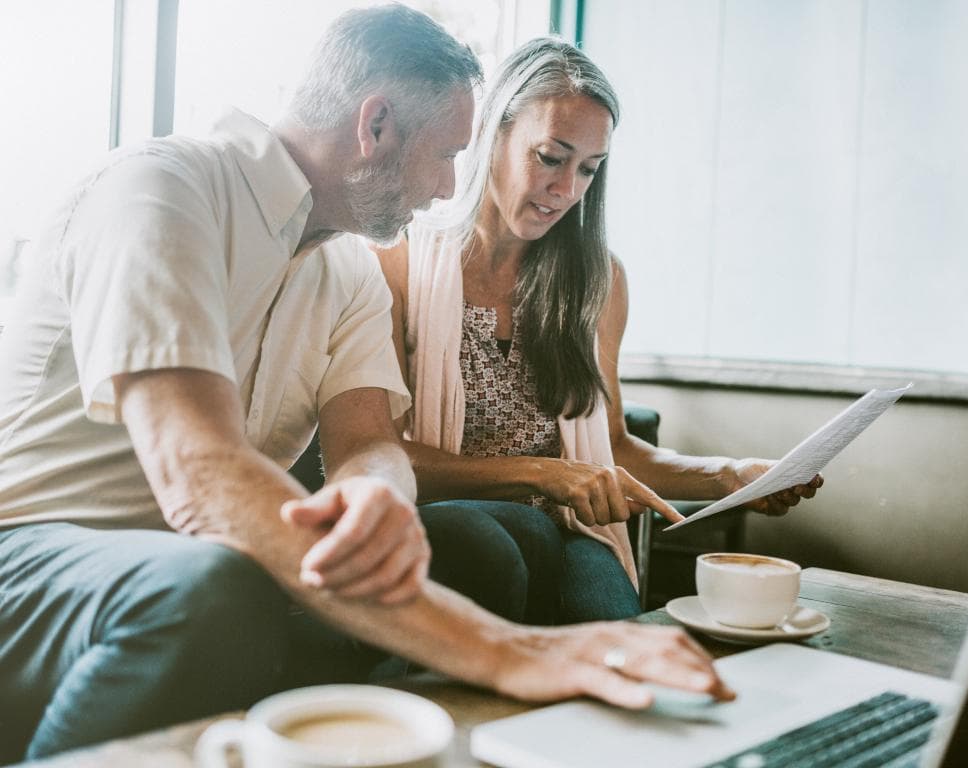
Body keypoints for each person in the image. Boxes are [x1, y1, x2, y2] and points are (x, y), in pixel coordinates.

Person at [0, 6, 731, 763]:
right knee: (207, 589)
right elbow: (201, 476)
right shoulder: (164, 189)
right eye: (447, 153)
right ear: (374, 126)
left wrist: (380, 492)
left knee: (468, 543)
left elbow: (369, 443)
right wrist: (510, 651)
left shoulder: (345, 267)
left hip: (202, 557)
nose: (452, 185)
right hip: (31, 550)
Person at [374, 37, 823, 624]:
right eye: (550, 157)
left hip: (571, 532)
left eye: (589, 169)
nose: (567, 191)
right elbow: (380, 452)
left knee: (621, 637)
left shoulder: (599, 281)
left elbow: (610, 447)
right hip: (457, 526)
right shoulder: (399, 261)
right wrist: (545, 475)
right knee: (512, 543)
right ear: (492, 133)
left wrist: (733, 476)